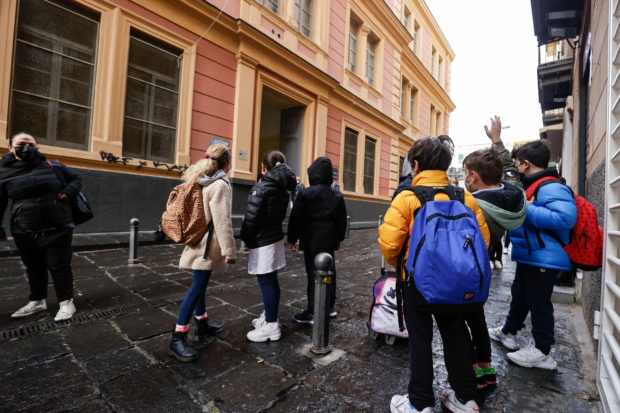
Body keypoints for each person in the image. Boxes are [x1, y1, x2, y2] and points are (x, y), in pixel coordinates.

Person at [379, 136, 490, 413]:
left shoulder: (407, 198)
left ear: (415, 165)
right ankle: (466, 399)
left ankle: (419, 402)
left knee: (420, 339)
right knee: (456, 336)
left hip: (416, 282)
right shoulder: (465, 197)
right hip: (456, 283)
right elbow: (482, 241)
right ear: (445, 165)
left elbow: (390, 244)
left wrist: (403, 266)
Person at [488, 140, 577, 370]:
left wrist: (527, 208)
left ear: (526, 164)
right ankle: (508, 332)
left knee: (539, 304)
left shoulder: (551, 187)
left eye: (517, 164)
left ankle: (543, 352)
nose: (516, 168)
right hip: (532, 254)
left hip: (544, 256)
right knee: (521, 295)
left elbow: (566, 218)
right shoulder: (536, 185)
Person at [462, 145, 526, 390]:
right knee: (477, 317)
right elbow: (514, 176)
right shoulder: (513, 196)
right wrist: (497, 143)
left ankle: (472, 375)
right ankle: (487, 367)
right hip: (482, 271)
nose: (465, 177)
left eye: (467, 172)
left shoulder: (472, 205)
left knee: (458, 322)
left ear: (473, 176)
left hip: (464, 270)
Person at [0, 132, 82, 322]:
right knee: (33, 267)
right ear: (10, 148)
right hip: (24, 229)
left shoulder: (52, 165)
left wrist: (68, 192)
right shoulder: (3, 171)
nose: (26, 147)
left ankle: (66, 302)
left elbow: (76, 179)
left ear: (36, 147)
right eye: (21, 144)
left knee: (58, 265)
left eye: (31, 144)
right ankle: (37, 300)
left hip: (58, 226)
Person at [170, 143, 236, 362]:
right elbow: (222, 221)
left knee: (201, 283)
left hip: (197, 239)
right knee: (197, 287)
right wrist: (229, 249)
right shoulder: (220, 185)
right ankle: (178, 336)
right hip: (207, 245)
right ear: (227, 163)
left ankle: (202, 322)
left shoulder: (202, 180)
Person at [240, 150, 296, 342]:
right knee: (271, 279)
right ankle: (269, 314)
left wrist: (245, 237)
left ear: (264, 167)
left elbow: (251, 217)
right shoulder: (282, 188)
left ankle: (271, 325)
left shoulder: (262, 187)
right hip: (274, 237)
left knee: (266, 280)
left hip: (263, 240)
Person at [287, 157, 347, 324]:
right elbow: (342, 220)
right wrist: (339, 239)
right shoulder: (336, 194)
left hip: (311, 241)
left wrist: (292, 238)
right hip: (329, 242)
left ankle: (313, 310)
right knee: (330, 273)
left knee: (313, 275)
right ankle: (329, 307)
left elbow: (295, 217)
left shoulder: (306, 193)